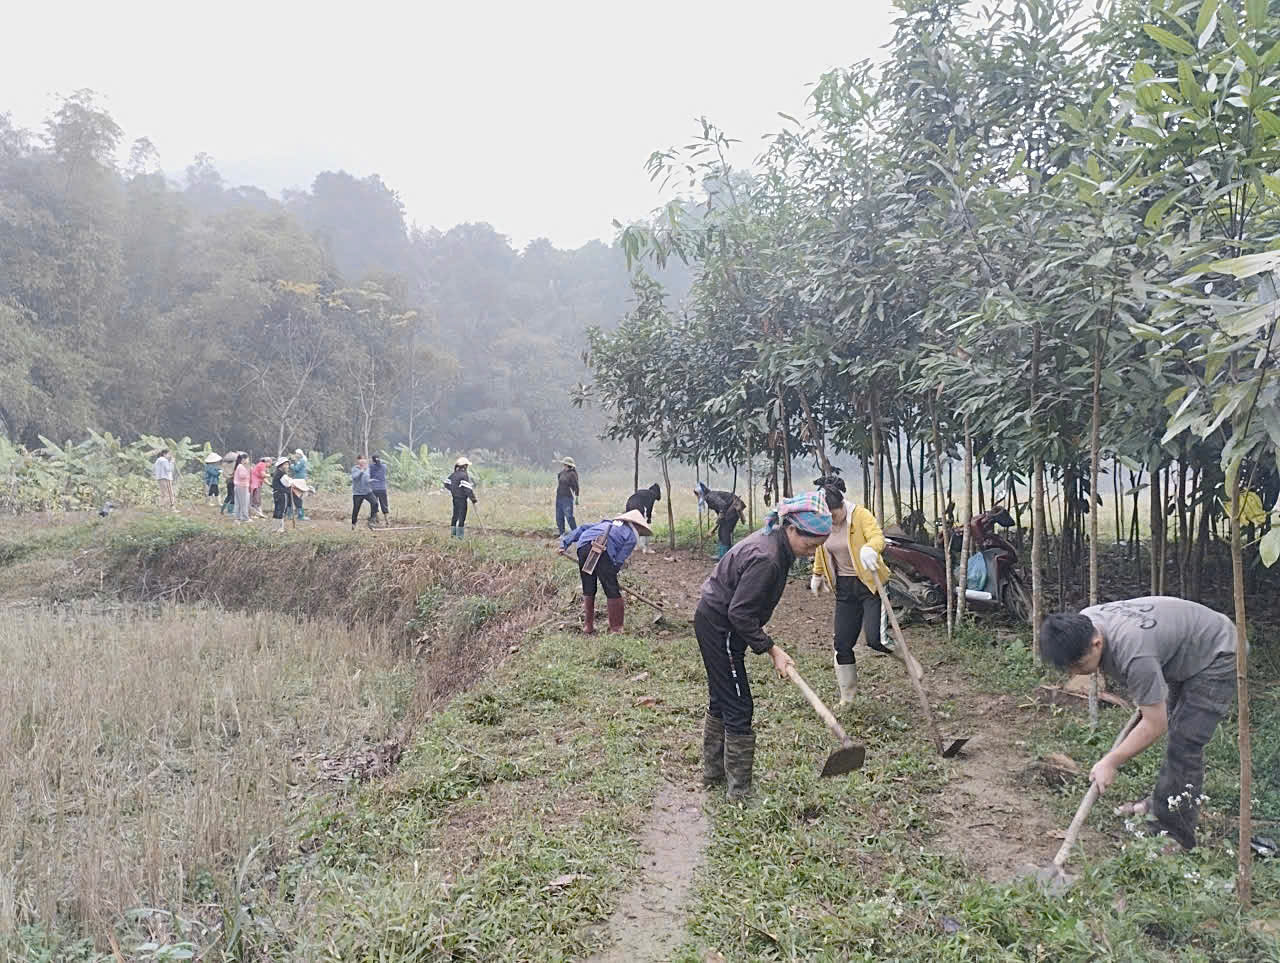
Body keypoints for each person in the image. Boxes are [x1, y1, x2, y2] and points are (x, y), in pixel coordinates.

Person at [1040, 598, 1238, 851]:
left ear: (1096, 643)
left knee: (1185, 743)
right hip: (1184, 647)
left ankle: (1175, 835)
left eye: (1078, 666)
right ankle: (1160, 805)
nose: (1075, 674)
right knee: (1178, 732)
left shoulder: (1135, 655)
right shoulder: (1087, 620)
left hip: (1216, 651)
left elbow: (1156, 724)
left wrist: (1110, 761)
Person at [696, 492, 832, 801]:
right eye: (809, 545)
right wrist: (772, 650)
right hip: (721, 627)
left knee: (722, 699)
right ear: (792, 529)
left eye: (817, 548)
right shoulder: (768, 557)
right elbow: (740, 613)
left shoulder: (775, 542)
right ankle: (739, 793)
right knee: (739, 705)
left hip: (716, 619)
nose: (811, 554)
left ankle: (713, 775)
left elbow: (745, 607)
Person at [810, 484, 921, 705]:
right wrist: (817, 573)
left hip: (870, 584)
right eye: (826, 516)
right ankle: (847, 698)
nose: (831, 520)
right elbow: (820, 548)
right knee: (842, 644)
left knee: (876, 639)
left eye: (833, 515)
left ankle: (907, 659)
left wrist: (870, 548)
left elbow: (877, 537)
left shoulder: (860, 515)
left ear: (842, 505)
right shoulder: (823, 523)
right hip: (844, 587)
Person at [559, 509, 652, 634]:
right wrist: (611, 574)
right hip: (604, 548)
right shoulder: (631, 536)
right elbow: (619, 559)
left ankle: (588, 626)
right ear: (637, 526)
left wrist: (564, 544)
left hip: (584, 545)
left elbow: (582, 529)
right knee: (611, 589)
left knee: (588, 585)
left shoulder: (608, 523)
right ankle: (616, 628)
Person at [693, 481, 747, 558]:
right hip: (731, 510)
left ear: (701, 492)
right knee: (723, 531)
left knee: (724, 531)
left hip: (733, 509)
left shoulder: (710, 497)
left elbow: (722, 505)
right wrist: (715, 526)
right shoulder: (710, 496)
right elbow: (720, 511)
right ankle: (723, 555)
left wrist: (717, 523)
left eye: (697, 494)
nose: (697, 497)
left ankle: (724, 557)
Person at [446, 456, 477, 538]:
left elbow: (446, 483)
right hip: (462, 500)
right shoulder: (464, 475)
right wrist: (473, 499)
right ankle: (460, 537)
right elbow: (467, 489)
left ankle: (453, 535)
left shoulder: (453, 475)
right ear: (465, 466)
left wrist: (454, 490)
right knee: (462, 517)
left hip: (455, 499)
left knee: (455, 516)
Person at [625, 483, 662, 554]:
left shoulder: (645, 493)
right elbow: (649, 508)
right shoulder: (652, 495)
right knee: (643, 526)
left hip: (629, 504)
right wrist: (649, 519)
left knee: (633, 526)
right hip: (637, 506)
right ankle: (645, 548)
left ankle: (636, 546)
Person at [350, 455, 379, 530]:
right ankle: (353, 524)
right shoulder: (354, 469)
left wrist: (371, 480)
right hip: (358, 493)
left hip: (367, 491)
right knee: (356, 509)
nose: (362, 461)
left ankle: (371, 519)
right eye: (360, 460)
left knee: (375, 503)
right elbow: (355, 477)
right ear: (358, 461)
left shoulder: (367, 469)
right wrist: (362, 470)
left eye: (363, 460)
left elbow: (366, 479)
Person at [555, 457, 580, 536]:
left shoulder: (572, 474)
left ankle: (576, 533)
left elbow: (576, 486)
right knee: (559, 516)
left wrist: (577, 497)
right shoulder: (562, 473)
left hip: (567, 498)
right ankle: (562, 533)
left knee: (569, 517)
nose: (564, 466)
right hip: (559, 497)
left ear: (568, 465)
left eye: (565, 464)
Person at [270, 457, 291, 534]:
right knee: (282, 511)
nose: (287, 466)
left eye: (288, 464)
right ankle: (280, 528)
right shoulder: (282, 474)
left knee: (277, 510)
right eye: (286, 464)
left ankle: (274, 528)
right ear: (281, 465)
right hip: (282, 494)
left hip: (276, 494)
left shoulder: (276, 473)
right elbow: (287, 484)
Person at [289, 449, 309, 521]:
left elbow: (296, 469)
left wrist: (291, 466)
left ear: (300, 454)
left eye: (296, 454)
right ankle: (298, 514)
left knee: (297, 497)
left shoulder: (302, 461)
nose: (295, 455)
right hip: (298, 480)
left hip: (298, 480)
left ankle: (299, 514)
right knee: (296, 497)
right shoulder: (300, 461)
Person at [369, 454, 390, 526]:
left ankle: (375, 520)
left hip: (374, 489)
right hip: (382, 489)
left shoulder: (371, 467)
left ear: (372, 460)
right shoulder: (384, 466)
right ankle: (387, 521)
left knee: (374, 504)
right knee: (384, 504)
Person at [232, 453, 251, 523]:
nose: (248, 460)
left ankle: (238, 517)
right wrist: (248, 471)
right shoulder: (241, 467)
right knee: (244, 503)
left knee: (239, 502)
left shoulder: (239, 466)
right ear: (244, 459)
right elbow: (242, 476)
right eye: (248, 459)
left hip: (239, 486)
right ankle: (245, 517)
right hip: (242, 486)